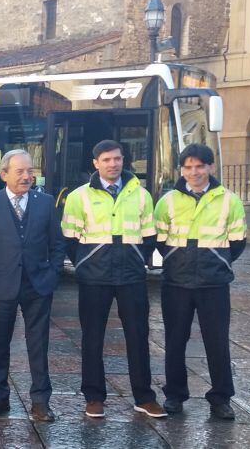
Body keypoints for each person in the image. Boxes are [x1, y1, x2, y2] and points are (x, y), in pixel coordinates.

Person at [61, 140, 166, 419]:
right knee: (92, 337)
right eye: (106, 159)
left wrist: (134, 257)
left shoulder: (141, 195)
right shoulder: (78, 197)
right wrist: (86, 262)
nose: (113, 164)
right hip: (94, 277)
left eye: (117, 159)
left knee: (138, 335)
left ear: (124, 161)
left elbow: (149, 237)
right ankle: (94, 396)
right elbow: (69, 239)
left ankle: (144, 396)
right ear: (95, 163)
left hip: (131, 276)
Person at [0, 149, 66, 422]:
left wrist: (53, 274)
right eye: (20, 172)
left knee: (38, 344)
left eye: (30, 171)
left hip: (38, 285)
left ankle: (40, 401)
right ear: (4, 174)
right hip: (1, 285)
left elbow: (57, 244)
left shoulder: (45, 203)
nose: (27, 176)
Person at [154, 143, 246, 419]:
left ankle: (221, 398)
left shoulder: (230, 200)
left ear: (210, 167)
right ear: (181, 170)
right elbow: (158, 240)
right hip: (176, 282)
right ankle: (174, 394)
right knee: (174, 340)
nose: (193, 172)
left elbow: (238, 242)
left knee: (217, 342)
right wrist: (177, 259)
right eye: (188, 167)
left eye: (199, 166)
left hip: (213, 283)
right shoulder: (167, 201)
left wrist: (216, 262)